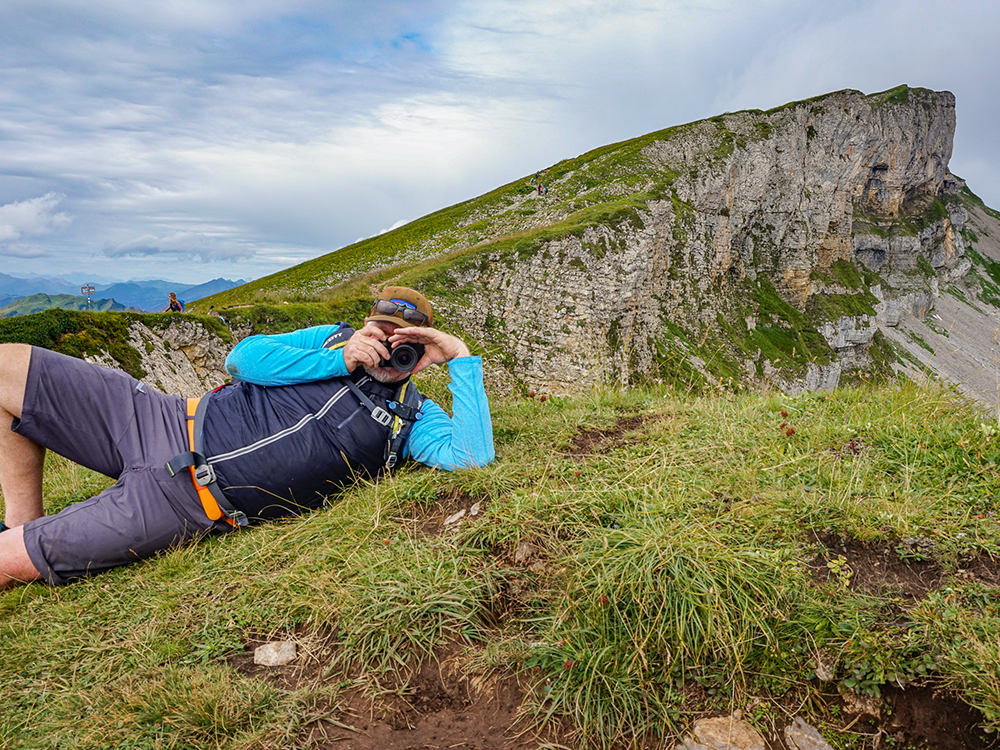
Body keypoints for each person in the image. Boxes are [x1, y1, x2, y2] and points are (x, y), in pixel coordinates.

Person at [0, 287, 493, 588]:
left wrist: (460, 357)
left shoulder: (412, 418)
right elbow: (242, 358)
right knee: (7, 367)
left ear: (422, 347)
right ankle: (23, 521)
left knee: (8, 563)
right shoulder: (331, 339)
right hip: (162, 416)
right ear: (365, 324)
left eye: (404, 340)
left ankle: (22, 544)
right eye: (380, 330)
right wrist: (339, 359)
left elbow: (472, 456)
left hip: (187, 502)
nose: (387, 345)